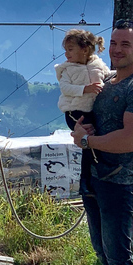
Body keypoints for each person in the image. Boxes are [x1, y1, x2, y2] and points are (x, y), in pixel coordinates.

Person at [71, 19, 133, 265]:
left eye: (125, 44)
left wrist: (86, 141)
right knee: (104, 255)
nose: (117, 49)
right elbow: (83, 113)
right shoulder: (107, 80)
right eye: (113, 43)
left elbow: (129, 141)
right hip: (93, 177)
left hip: (119, 184)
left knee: (120, 260)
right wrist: (78, 127)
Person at [54, 29, 112, 192]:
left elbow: (108, 76)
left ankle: (94, 177)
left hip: (92, 111)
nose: (66, 54)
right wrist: (85, 89)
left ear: (85, 49)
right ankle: (88, 181)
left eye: (70, 50)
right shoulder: (67, 69)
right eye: (65, 50)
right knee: (89, 140)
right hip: (74, 112)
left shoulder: (98, 65)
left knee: (96, 137)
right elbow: (65, 88)